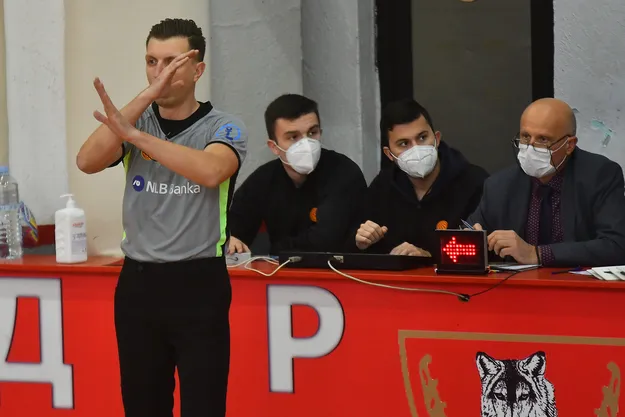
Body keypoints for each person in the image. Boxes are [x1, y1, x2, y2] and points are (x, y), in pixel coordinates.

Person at [76, 19, 246, 417]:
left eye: (172, 62)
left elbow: (211, 171)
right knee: (142, 405)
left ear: (198, 70)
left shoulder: (224, 126)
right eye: (152, 61)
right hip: (139, 284)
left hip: (198, 283)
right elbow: (86, 161)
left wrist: (135, 137)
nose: (160, 71)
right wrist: (143, 102)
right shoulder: (136, 121)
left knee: (203, 406)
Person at [468, 98, 625, 267]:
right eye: (525, 137)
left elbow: (616, 246)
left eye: (543, 139)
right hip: (517, 283)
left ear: (569, 145)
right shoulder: (500, 185)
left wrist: (537, 254)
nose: (531, 147)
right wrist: (472, 240)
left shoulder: (600, 175)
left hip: (577, 282)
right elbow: (470, 234)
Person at [227, 94, 367, 255]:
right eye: (293, 137)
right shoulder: (263, 179)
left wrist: (278, 249)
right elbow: (233, 230)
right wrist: (233, 240)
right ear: (274, 147)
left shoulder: (344, 172)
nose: (306, 144)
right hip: (281, 268)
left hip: (339, 268)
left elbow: (325, 241)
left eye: (312, 133)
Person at [354, 98, 489, 260]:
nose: (416, 149)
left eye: (422, 137)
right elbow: (359, 253)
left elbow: (484, 254)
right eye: (404, 143)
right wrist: (363, 243)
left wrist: (427, 258)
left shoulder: (474, 183)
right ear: (389, 154)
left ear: (436, 138)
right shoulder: (382, 187)